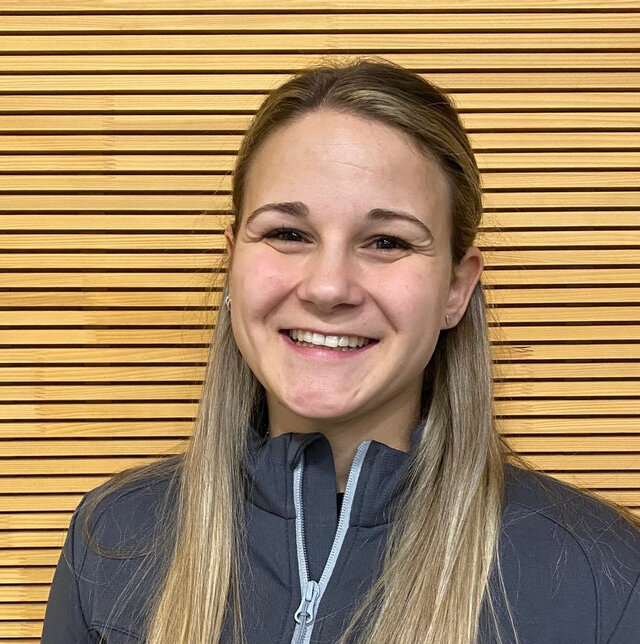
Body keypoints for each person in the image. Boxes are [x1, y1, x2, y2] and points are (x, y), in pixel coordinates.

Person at [41, 58, 640, 644]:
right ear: (232, 264)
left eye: (386, 242)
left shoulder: (603, 578)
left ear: (456, 288)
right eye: (287, 233)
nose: (328, 288)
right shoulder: (110, 537)